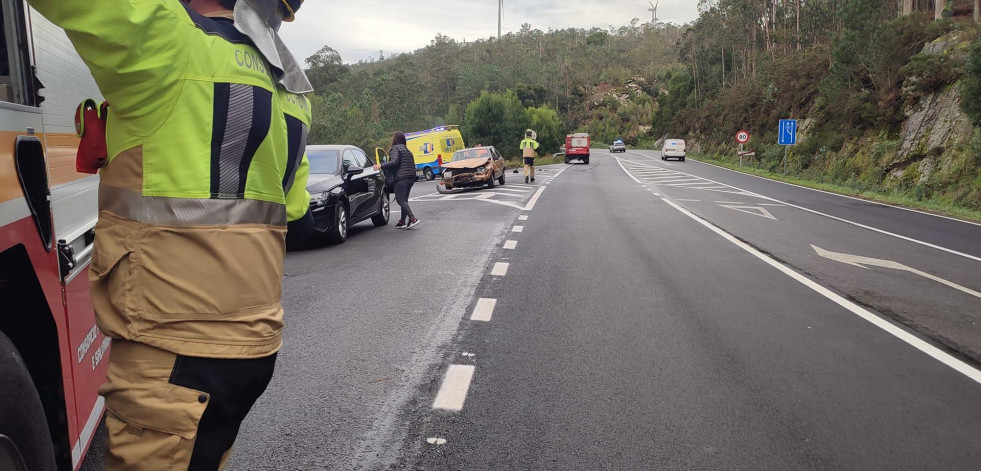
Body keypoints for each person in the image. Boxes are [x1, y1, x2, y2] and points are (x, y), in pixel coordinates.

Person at [26, 0, 314, 469]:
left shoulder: (166, 36)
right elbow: (294, 206)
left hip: (175, 352)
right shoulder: (294, 90)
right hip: (252, 343)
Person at [375, 132, 420, 229]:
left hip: (401, 178)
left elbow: (394, 162)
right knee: (404, 200)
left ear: (395, 140)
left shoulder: (395, 149)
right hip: (411, 177)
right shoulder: (407, 150)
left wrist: (381, 165)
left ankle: (412, 219)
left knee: (400, 200)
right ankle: (402, 221)